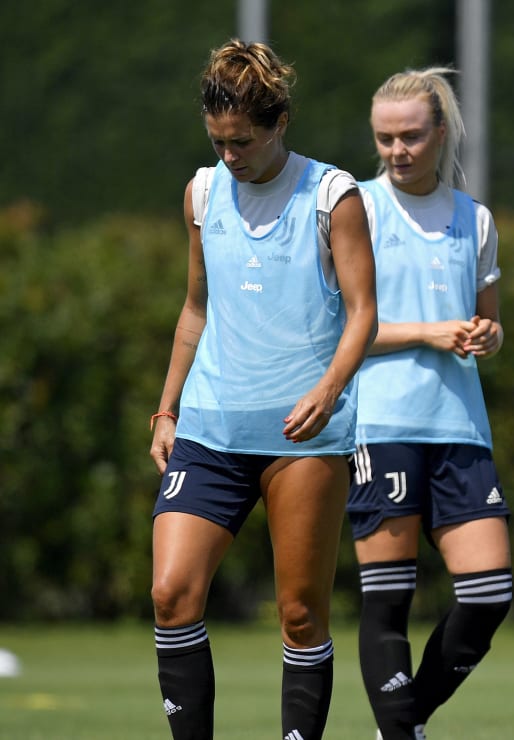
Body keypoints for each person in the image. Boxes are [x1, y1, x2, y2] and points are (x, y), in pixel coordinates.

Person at [147, 39, 377, 740]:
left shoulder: (332, 196)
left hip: (301, 438)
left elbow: (365, 312)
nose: (229, 156)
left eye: (242, 141)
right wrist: (166, 409)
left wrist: (331, 389)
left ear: (280, 124)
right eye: (217, 140)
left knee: (301, 614)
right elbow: (196, 308)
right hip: (209, 431)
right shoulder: (202, 191)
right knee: (170, 594)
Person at [345, 68, 511, 740]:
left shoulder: (475, 219)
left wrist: (486, 335)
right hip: (381, 426)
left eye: (411, 135)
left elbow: (488, 322)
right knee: (388, 601)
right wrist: (427, 332)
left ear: (440, 131)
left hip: (462, 430)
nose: (397, 149)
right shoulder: (353, 209)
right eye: (385, 138)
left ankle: (403, 722)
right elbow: (337, 335)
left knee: (489, 594)